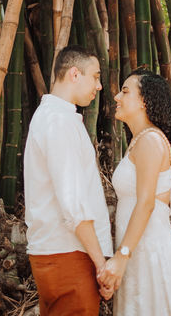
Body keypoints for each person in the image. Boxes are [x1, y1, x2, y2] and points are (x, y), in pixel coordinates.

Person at [24, 44, 113, 316]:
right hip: (69, 254)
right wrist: (101, 265)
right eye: (95, 76)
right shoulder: (58, 123)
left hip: (57, 253)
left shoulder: (54, 118)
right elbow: (74, 205)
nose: (99, 86)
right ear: (75, 74)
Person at [99, 70, 171, 316]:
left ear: (144, 101)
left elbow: (146, 203)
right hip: (137, 251)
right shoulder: (140, 140)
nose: (117, 96)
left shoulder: (150, 140)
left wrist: (121, 256)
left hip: (149, 253)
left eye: (125, 91)